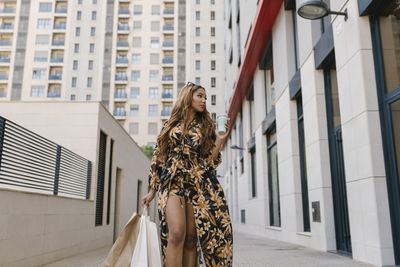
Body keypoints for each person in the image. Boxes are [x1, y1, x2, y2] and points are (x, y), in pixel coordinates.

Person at [142, 82, 233, 267]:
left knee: (192, 238)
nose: (204, 100)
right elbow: (159, 156)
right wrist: (152, 190)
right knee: (176, 232)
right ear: (188, 96)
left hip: (198, 184)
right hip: (172, 181)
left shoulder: (206, 126)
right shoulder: (170, 125)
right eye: (200, 96)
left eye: (206, 97)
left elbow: (209, 160)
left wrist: (219, 140)